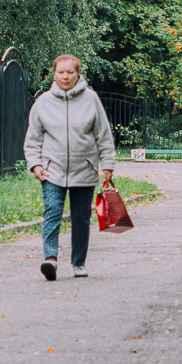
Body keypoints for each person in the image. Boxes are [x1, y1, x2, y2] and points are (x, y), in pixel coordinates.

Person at [24, 54, 115, 281]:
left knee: (81, 218)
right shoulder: (43, 102)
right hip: (52, 171)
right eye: (60, 72)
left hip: (84, 170)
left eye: (70, 72)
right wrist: (35, 164)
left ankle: (78, 264)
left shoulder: (91, 99)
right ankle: (51, 260)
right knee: (52, 212)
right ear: (53, 74)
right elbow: (33, 139)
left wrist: (107, 165)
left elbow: (103, 135)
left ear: (77, 74)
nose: (65, 76)